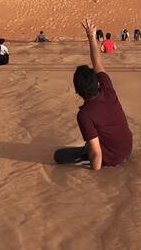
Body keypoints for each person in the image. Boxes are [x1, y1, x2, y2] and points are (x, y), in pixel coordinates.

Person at [53, 19, 133, 169]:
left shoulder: (84, 114)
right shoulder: (107, 87)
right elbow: (98, 63)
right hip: (128, 149)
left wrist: (94, 182)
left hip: (113, 158)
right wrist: (91, 37)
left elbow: (97, 154)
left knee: (58, 156)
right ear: (97, 82)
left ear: (77, 91)